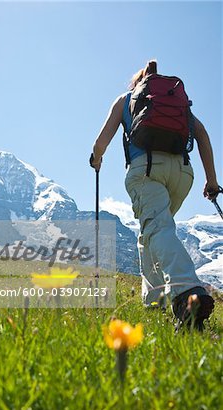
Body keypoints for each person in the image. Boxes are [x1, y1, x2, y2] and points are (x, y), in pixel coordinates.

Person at [90, 60, 219, 329]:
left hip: (146, 169)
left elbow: (101, 142)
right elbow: (203, 135)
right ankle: (154, 301)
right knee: (149, 233)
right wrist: (212, 181)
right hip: (183, 173)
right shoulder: (176, 102)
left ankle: (187, 292)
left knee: (157, 228)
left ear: (137, 84)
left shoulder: (127, 100)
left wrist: (96, 158)